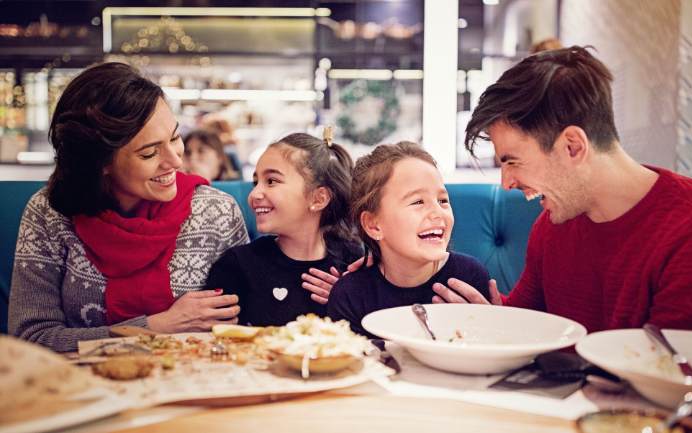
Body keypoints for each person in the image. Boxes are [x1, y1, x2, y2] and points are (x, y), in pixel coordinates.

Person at [431, 46, 692, 336]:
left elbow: (676, 384)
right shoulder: (552, 226)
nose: (507, 183)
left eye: (512, 161)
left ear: (573, 146)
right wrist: (491, 325)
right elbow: (524, 325)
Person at [8, 63, 249, 352]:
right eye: (149, 152)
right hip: (82, 389)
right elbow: (31, 340)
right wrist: (157, 327)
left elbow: (246, 326)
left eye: (174, 137)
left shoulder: (216, 211)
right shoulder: (49, 214)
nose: (175, 161)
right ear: (101, 163)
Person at [327, 142, 491, 337]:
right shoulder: (350, 295)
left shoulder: (469, 277)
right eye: (418, 202)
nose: (438, 212)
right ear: (373, 225)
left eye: (443, 201)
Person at [205, 132, 362, 326]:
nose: (254, 194)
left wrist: (346, 302)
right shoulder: (236, 266)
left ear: (318, 198)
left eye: (271, 181)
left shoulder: (353, 261)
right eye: (256, 182)